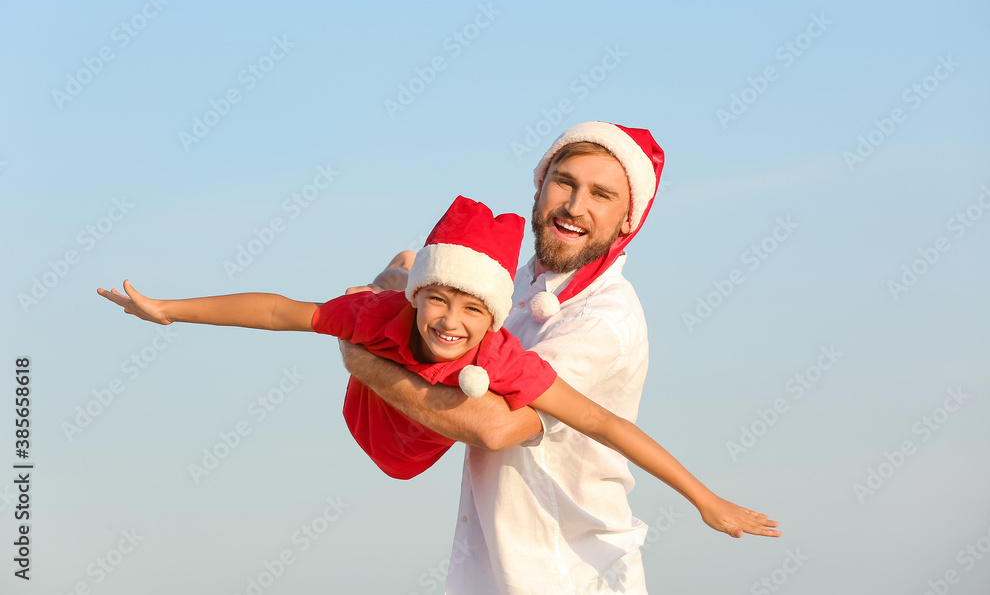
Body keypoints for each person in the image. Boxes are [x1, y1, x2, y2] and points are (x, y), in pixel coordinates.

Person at [96, 196, 779, 550]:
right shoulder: (381, 314)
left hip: (409, 446)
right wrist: (169, 310)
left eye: (473, 310)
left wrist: (703, 497)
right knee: (368, 296)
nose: (452, 321)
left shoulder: (501, 356)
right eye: (438, 301)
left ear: (495, 317)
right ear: (419, 300)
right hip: (368, 408)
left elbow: (602, 421)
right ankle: (406, 262)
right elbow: (279, 311)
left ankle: (407, 258)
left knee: (406, 314)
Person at [338, 121, 772, 594]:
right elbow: (421, 286)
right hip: (493, 573)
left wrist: (360, 355)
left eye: (601, 195)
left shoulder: (603, 318)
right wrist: (396, 284)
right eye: (564, 181)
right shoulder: (513, 287)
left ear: (629, 220)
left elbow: (495, 427)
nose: (574, 205)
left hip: (567, 575)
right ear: (540, 185)